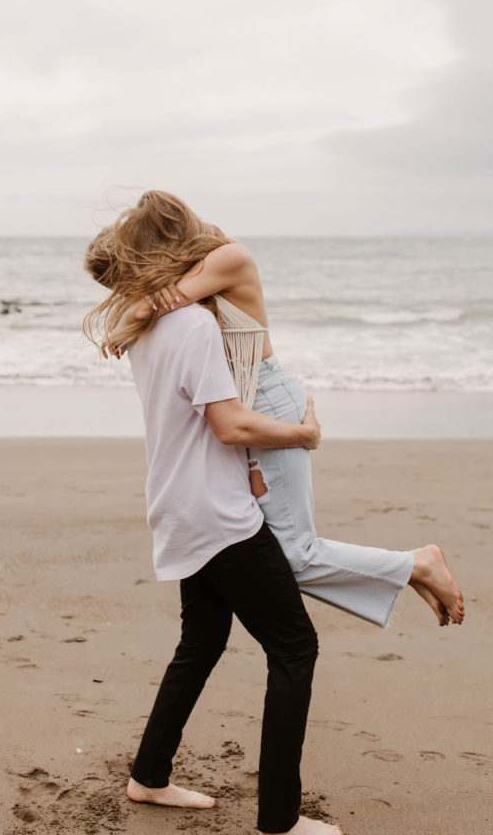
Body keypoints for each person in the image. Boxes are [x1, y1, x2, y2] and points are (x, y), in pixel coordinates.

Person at [84, 192, 465, 630]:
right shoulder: (195, 273)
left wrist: (131, 315)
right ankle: (410, 569)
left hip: (264, 398)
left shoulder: (229, 256)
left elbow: (163, 302)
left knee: (292, 556)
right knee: (270, 553)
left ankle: (417, 564)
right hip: (239, 403)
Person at [97, 290, 340, 834]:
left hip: (178, 507)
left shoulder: (142, 325)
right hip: (217, 515)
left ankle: (149, 776)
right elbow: (229, 426)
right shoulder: (193, 325)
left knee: (201, 642)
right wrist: (304, 435)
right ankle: (280, 820)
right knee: (295, 648)